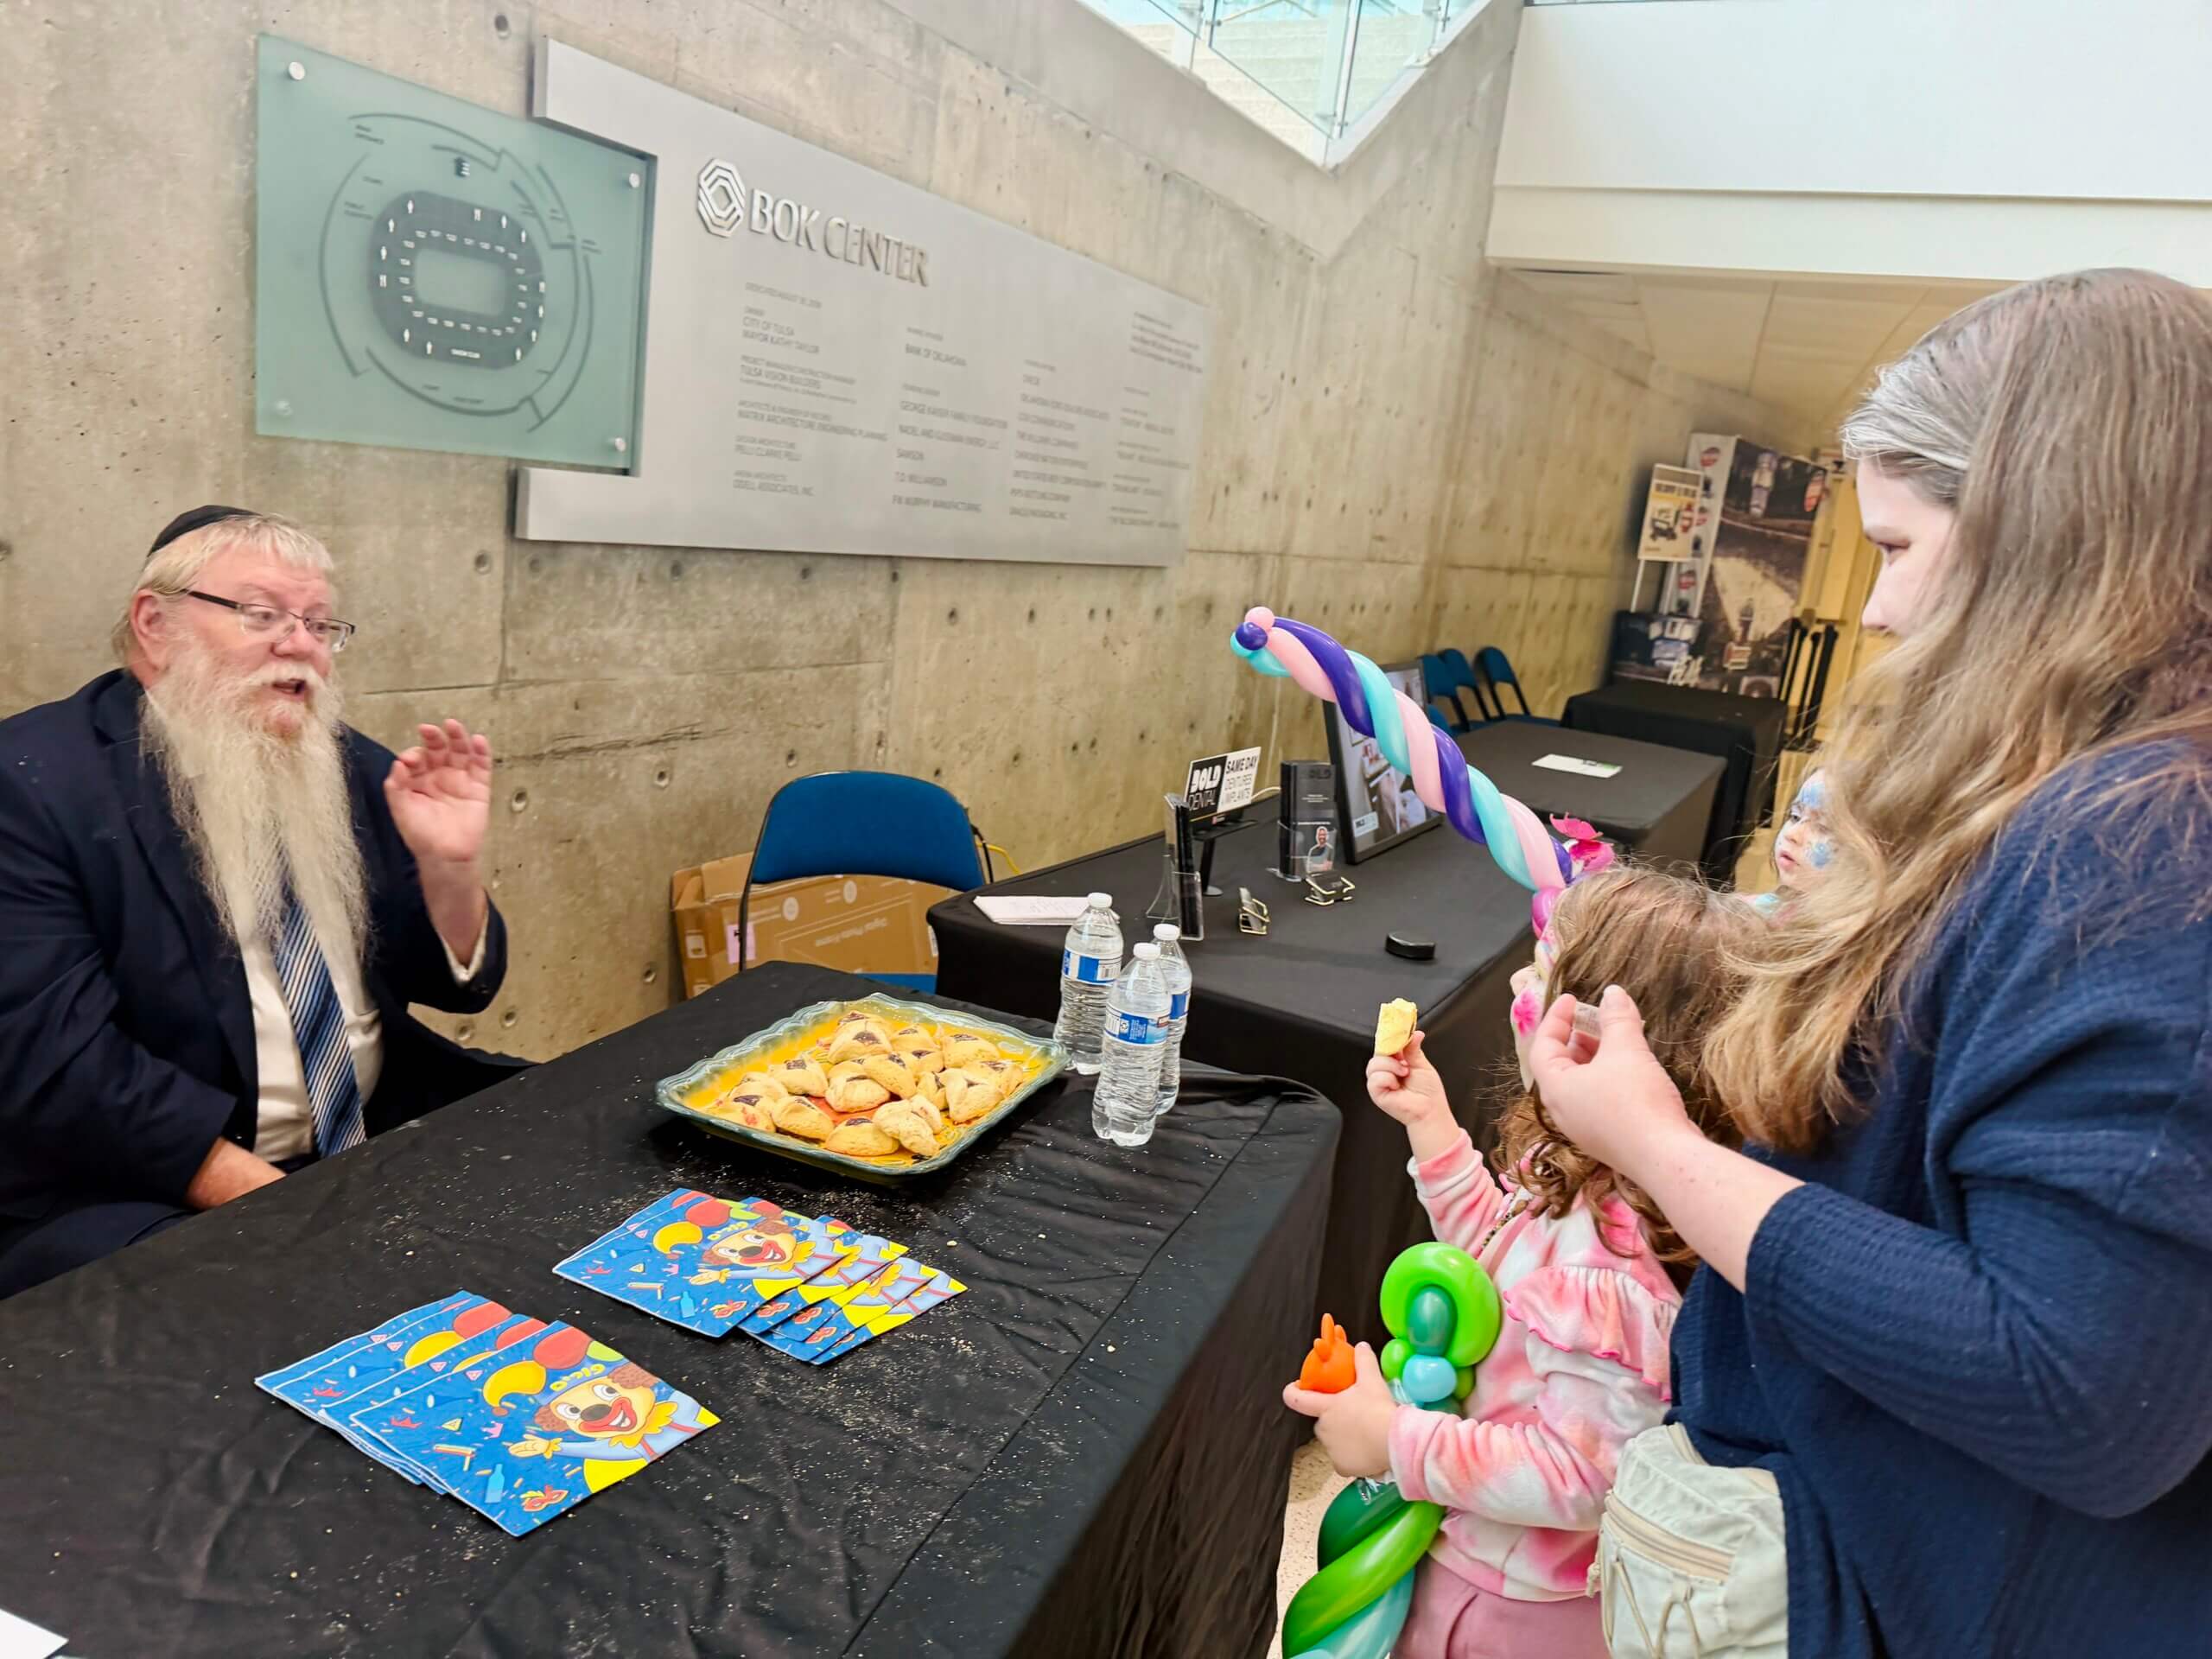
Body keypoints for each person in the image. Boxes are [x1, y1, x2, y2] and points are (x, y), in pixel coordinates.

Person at [1524, 270, 2212, 1657]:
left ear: (2042, 546)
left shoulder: (2140, 846)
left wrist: (1660, 1150)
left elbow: (2081, 1390)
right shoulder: (2096, 811)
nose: (1881, 609)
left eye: (1898, 548)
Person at [0, 507, 524, 1298]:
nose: (301, 644)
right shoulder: (32, 784)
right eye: (262, 615)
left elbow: (457, 986)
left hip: (374, 1123)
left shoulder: (350, 766)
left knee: (605, 1148)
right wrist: (291, 1212)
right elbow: (57, 1064)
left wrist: (449, 869)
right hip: (139, 1180)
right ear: (156, 623)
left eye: (320, 624)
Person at [1287, 869, 1757, 1659]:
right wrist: (1432, 1125)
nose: (1516, 982)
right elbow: (1499, 1260)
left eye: (1542, 969)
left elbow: (1582, 1474)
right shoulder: (1579, 1164)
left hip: (1511, 1606)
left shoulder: (1610, 1263)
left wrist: (1395, 1440)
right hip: (1465, 1546)